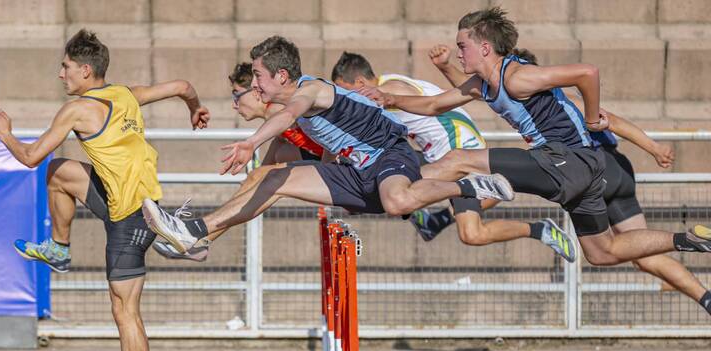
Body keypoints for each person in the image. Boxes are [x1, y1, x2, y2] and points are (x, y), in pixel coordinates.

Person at [359, 7, 711, 271]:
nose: (458, 52)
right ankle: (688, 239)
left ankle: (386, 191)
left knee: (458, 160)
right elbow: (434, 105)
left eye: (462, 46)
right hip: (580, 169)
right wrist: (390, 99)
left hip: (565, 159)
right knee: (602, 252)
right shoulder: (482, 84)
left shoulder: (517, 77)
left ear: (485, 47)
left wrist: (592, 117)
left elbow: (587, 72)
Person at [0, 29, 210, 351]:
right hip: (120, 199)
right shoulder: (125, 94)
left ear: (85, 70)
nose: (61, 74)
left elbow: (30, 156)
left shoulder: (76, 110)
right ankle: (59, 248)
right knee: (59, 172)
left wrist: (6, 135)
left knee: (125, 311)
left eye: (66, 67)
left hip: (134, 217)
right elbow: (183, 85)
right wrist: (195, 108)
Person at [141, 35, 514, 255]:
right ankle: (195, 233)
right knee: (273, 178)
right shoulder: (298, 104)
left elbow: (290, 114)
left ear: (281, 75)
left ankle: (469, 186)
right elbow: (326, 143)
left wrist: (251, 142)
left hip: (389, 155)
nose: (253, 85)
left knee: (397, 202)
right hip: (358, 173)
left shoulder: (311, 91)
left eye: (257, 76)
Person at [426, 44, 711, 313]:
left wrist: (655, 148)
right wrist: (654, 149)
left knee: (522, 181)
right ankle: (705, 294)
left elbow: (609, 119)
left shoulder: (551, 100)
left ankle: (453, 210)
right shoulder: (534, 99)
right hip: (619, 171)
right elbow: (478, 90)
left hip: (595, 169)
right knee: (642, 255)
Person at [330, 51, 576, 261]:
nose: (344, 98)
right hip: (438, 153)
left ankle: (539, 229)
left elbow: (357, 125)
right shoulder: (389, 82)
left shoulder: (388, 90)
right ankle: (433, 219)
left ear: (360, 82)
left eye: (345, 91)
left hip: (457, 152)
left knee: (471, 233)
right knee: (392, 178)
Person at [152, 62, 325, 260]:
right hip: (321, 159)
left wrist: (256, 176)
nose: (234, 105)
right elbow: (279, 143)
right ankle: (201, 242)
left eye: (237, 95)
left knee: (261, 175)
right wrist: (255, 177)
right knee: (271, 163)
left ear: (255, 92)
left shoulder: (280, 110)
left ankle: (199, 240)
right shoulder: (276, 118)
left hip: (340, 164)